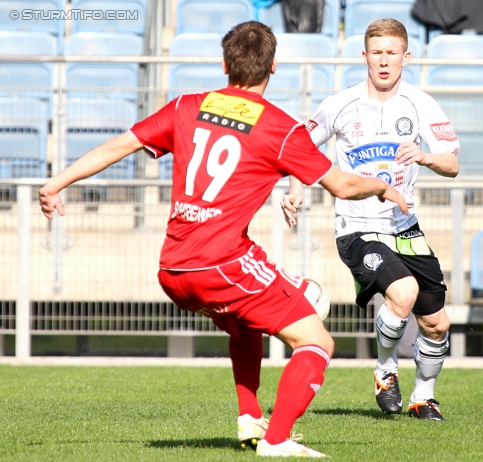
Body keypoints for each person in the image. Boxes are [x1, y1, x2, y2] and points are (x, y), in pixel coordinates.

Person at [38, 21, 407, 458]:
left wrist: (56, 182)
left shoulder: (185, 107)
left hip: (173, 269)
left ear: (224, 64)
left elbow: (121, 144)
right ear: (273, 67)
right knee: (317, 341)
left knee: (246, 324)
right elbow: (342, 186)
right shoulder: (279, 128)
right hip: (221, 265)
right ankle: (276, 441)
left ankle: (251, 419)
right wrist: (382, 187)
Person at [282, 18, 460, 421]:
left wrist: (426, 156)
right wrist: (295, 191)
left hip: (404, 227)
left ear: (406, 57)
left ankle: (423, 397)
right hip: (357, 226)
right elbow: (298, 146)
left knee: (436, 323)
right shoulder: (340, 104)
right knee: (403, 292)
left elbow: (452, 163)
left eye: (391, 53)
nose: (384, 61)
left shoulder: (420, 104)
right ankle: (384, 370)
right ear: (364, 56)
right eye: (376, 53)